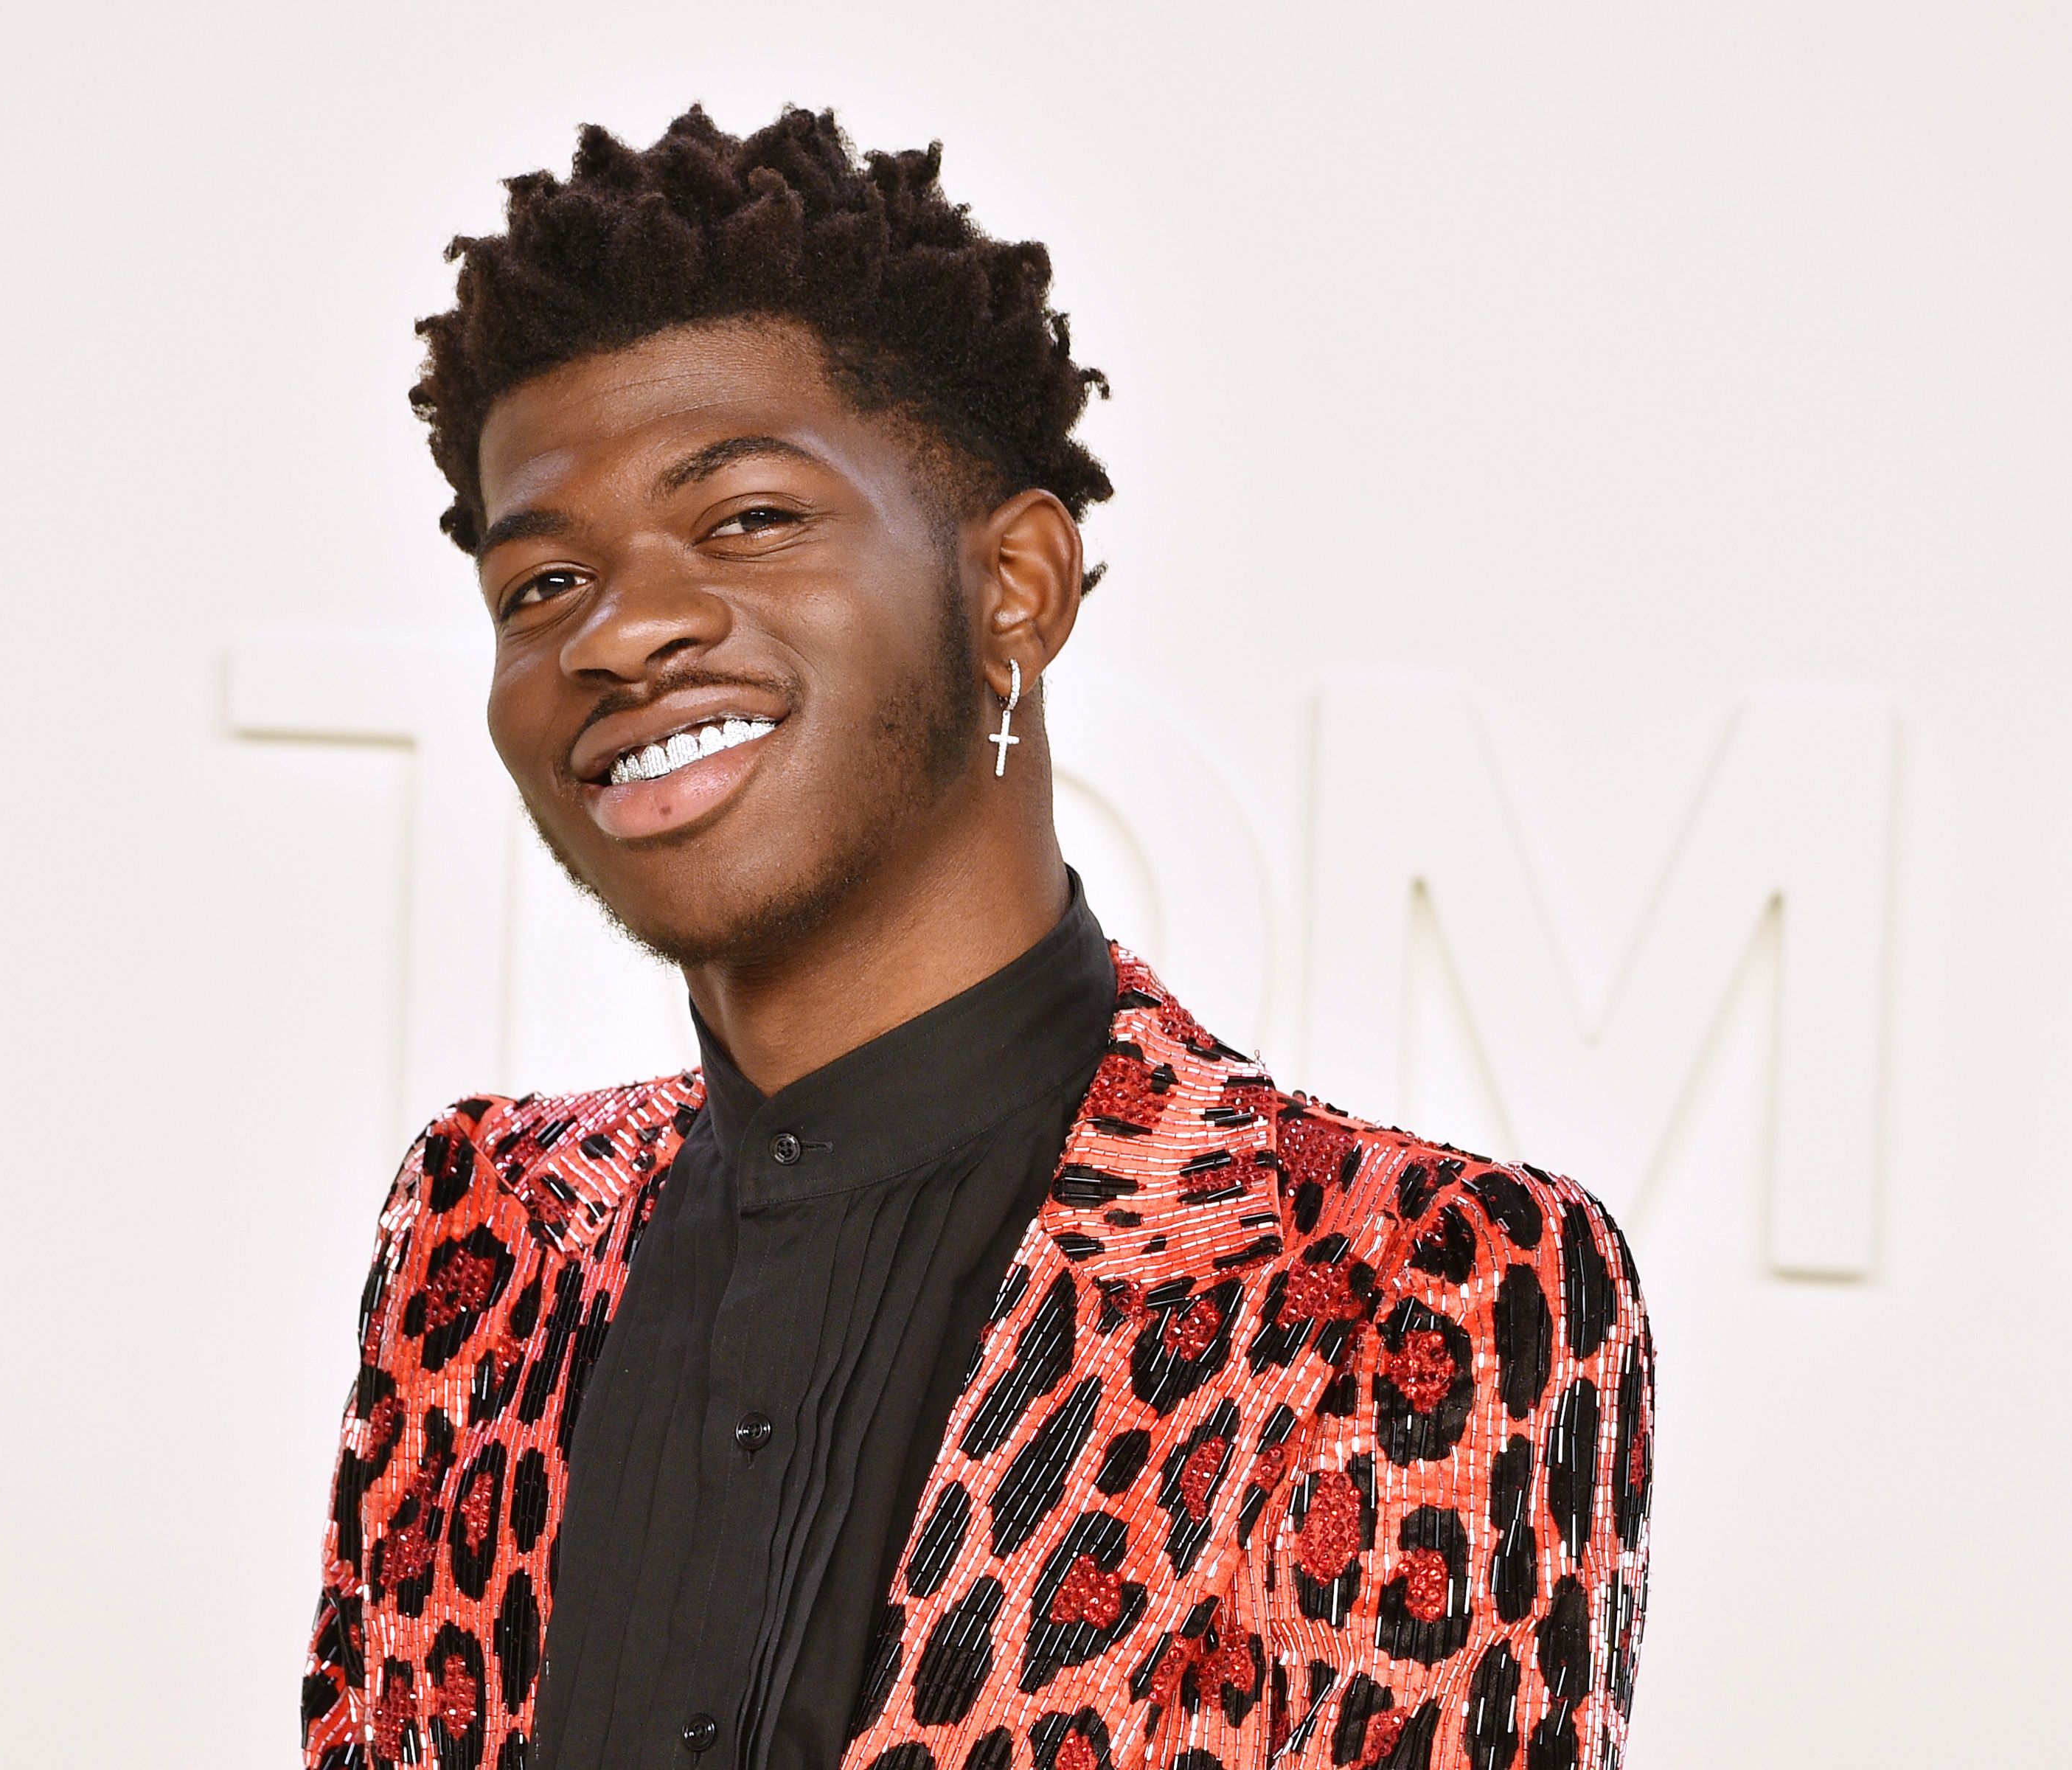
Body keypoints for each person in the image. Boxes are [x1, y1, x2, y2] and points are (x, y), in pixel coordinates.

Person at [301, 105, 1651, 1770]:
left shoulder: (1412, 1289)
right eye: (542, 587)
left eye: (747, 522)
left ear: (1017, 585)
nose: (623, 628)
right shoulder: (482, 1239)